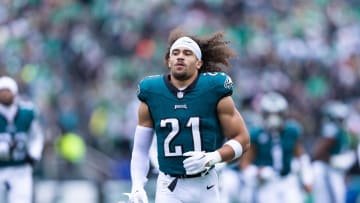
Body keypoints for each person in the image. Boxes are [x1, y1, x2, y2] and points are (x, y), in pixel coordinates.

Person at [127, 28, 250, 203]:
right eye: (175, 53)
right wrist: (137, 186)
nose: (180, 56)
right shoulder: (152, 91)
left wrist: (211, 157)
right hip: (170, 186)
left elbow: (243, 140)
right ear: (169, 61)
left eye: (187, 53)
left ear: (198, 63)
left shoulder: (213, 88)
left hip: (206, 184)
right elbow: (140, 149)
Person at [220, 91, 313, 203]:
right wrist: (258, 172)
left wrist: (307, 179)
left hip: (288, 181)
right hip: (267, 185)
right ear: (263, 114)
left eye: (277, 114)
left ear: (283, 114)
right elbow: (245, 164)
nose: (273, 118)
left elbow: (301, 157)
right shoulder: (256, 134)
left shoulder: (292, 131)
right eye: (269, 114)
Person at [0, 76, 44, 203]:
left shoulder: (27, 112)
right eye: (2, 91)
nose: (5, 94)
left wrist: (34, 154)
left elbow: (37, 136)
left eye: (7, 91)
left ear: (15, 92)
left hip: (21, 168)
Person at [312, 100, 357, 203]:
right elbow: (317, 154)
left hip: (334, 172)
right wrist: (332, 160)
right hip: (327, 171)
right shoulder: (332, 130)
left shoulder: (342, 132)